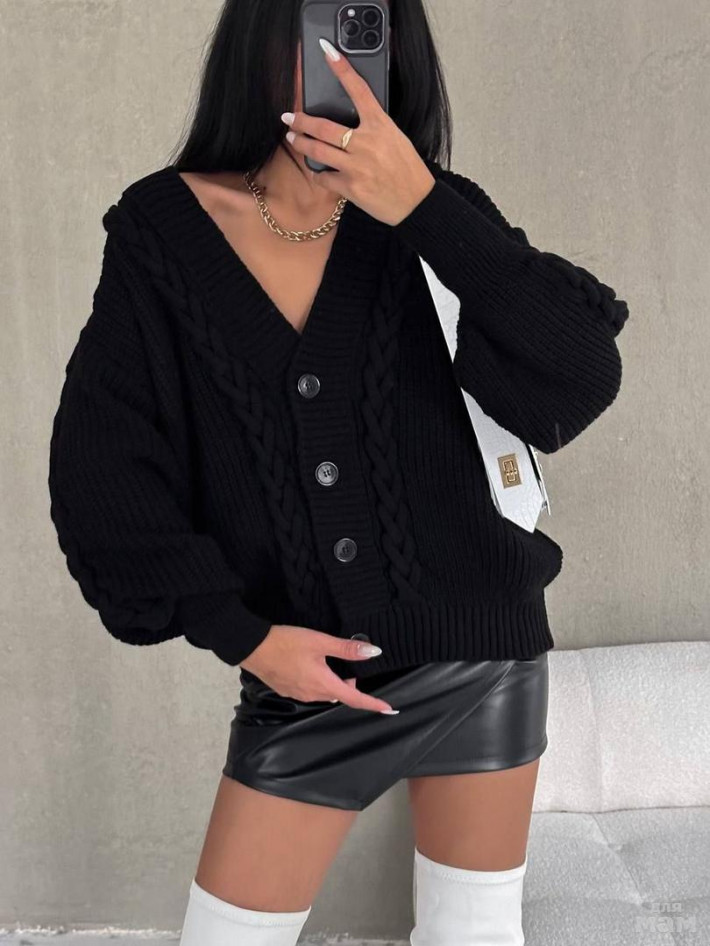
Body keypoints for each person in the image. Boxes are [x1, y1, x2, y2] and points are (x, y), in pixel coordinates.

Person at [47, 2, 629, 944]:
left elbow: (579, 376)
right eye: (311, 27)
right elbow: (101, 472)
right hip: (302, 681)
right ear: (259, 40)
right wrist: (241, 635)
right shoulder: (164, 232)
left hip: (481, 653)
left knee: (475, 934)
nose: (334, 59)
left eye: (363, 30)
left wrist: (427, 208)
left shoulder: (435, 214)